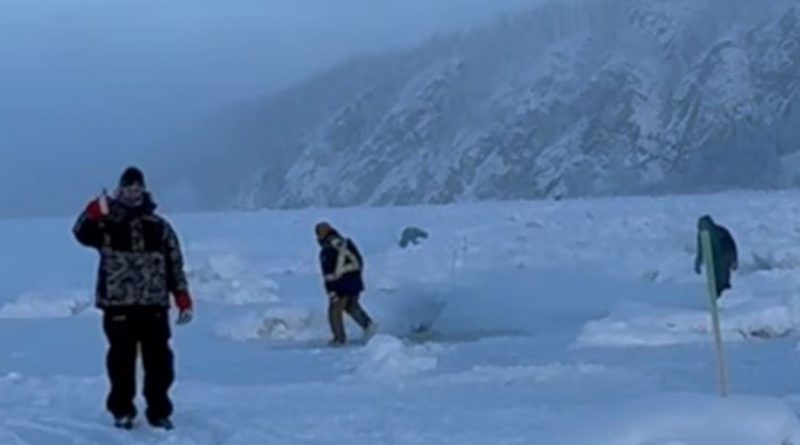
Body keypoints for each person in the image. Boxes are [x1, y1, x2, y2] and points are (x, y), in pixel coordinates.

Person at [73, 167, 194, 430]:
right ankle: (122, 410)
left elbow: (174, 263)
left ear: (144, 190)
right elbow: (81, 233)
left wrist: (182, 296)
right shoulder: (106, 223)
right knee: (121, 361)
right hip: (118, 304)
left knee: (160, 362)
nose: (133, 193)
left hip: (154, 304)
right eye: (128, 189)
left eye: (137, 188)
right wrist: (92, 213)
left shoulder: (159, 226)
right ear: (121, 190)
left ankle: (159, 411)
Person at [315, 222, 377, 346]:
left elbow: (328, 272)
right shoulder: (347, 243)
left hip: (339, 286)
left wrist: (331, 290)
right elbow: (359, 261)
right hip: (355, 283)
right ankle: (370, 327)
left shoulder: (327, 249)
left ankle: (339, 338)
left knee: (334, 311)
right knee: (351, 307)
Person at [694, 215, 738, 298]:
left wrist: (734, 260)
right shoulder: (701, 235)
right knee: (714, 281)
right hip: (712, 262)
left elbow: (731, 246)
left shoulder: (721, 232)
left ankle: (727, 299)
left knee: (723, 280)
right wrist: (698, 262)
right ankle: (716, 300)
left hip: (724, 260)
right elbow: (701, 249)